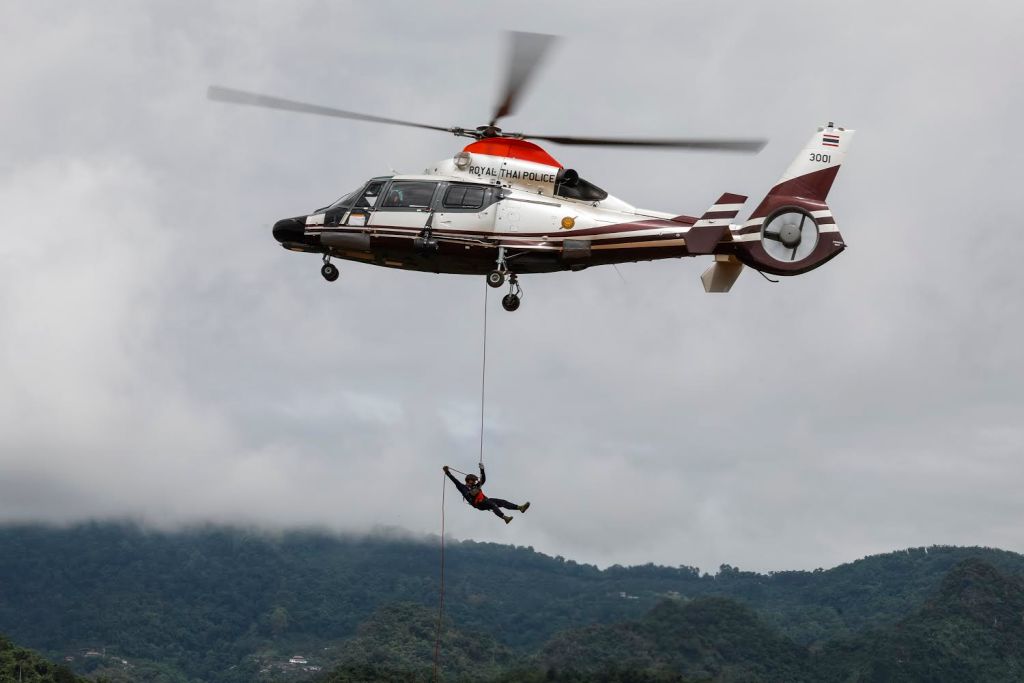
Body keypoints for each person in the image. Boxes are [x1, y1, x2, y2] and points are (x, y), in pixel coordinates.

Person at [443, 464, 530, 524]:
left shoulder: (476, 486)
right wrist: (447, 472)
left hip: (484, 500)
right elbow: (455, 481)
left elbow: (483, 480)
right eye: (472, 480)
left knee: (502, 502)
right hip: (478, 504)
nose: (474, 482)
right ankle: (505, 518)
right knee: (492, 504)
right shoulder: (462, 487)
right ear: (468, 480)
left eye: (474, 481)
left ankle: (520, 508)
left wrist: (482, 470)